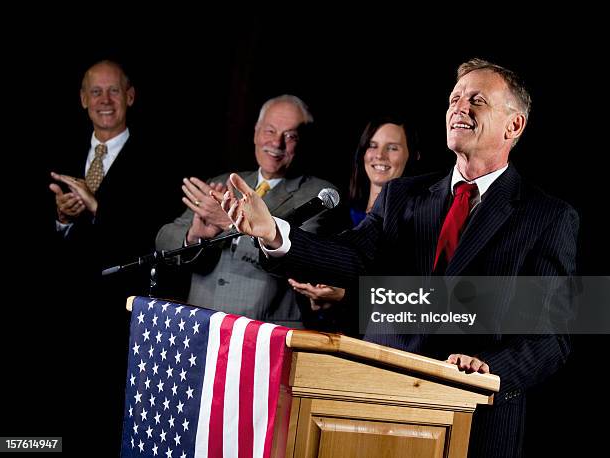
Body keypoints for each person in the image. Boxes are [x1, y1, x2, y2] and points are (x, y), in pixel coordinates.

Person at [215, 59, 579, 457]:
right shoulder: (401, 196)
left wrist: (490, 370)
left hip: (475, 425)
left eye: (477, 100)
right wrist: (273, 233)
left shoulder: (548, 217)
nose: (460, 108)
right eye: (455, 98)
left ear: (514, 126)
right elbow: (351, 256)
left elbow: (552, 338)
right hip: (376, 411)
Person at [48, 59, 180, 455]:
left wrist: (98, 209)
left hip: (115, 326)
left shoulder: (160, 160)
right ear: (82, 99)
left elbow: (159, 237)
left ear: (130, 96)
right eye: (95, 91)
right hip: (59, 321)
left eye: (114, 91)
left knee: (99, 430)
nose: (105, 100)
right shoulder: (59, 152)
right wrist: (60, 219)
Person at [156, 94, 340, 327]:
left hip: (264, 334)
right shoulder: (224, 182)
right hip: (202, 324)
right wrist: (193, 236)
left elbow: (301, 264)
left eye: (290, 136)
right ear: (255, 132)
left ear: (302, 142)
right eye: (270, 131)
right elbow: (164, 239)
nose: (276, 143)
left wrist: (231, 223)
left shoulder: (318, 194)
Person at [288, 116, 419, 333]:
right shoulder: (336, 216)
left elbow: (416, 304)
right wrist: (313, 294)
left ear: (413, 156)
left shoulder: (418, 224)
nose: (379, 155)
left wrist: (345, 297)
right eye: (373, 146)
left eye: (392, 148)